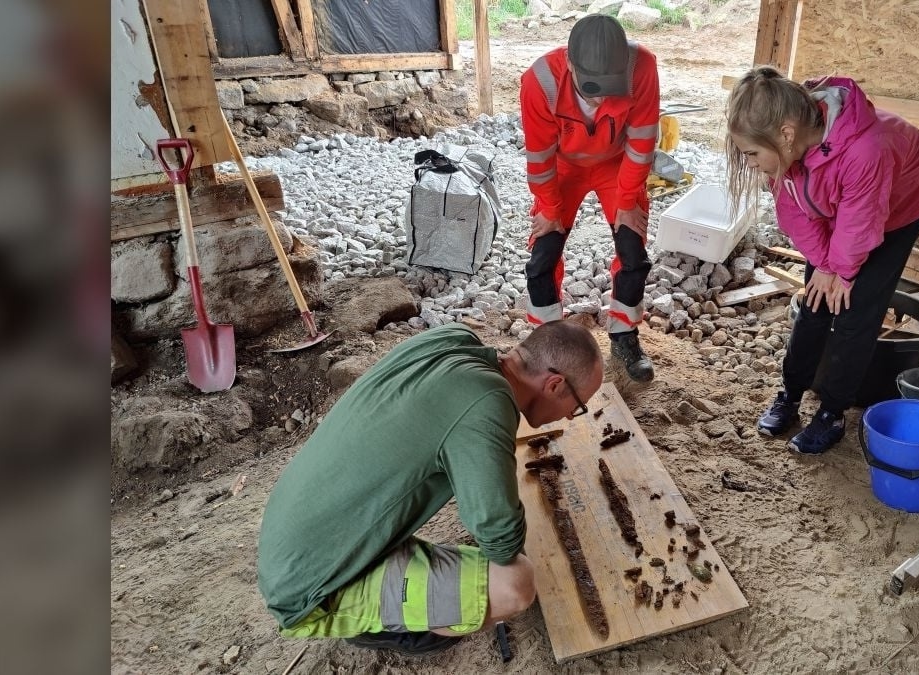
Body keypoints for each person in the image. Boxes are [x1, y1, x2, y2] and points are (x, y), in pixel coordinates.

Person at [257, 321, 603, 656]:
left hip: (296, 539)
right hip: (308, 587)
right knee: (515, 583)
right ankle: (386, 627)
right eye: (578, 405)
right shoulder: (487, 403)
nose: (572, 416)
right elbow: (499, 539)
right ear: (555, 384)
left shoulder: (452, 340)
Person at [725, 66, 919, 455]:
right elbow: (794, 213)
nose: (752, 163)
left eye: (753, 154)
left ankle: (833, 413)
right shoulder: (783, 150)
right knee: (815, 300)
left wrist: (842, 271)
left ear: (785, 134)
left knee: (856, 311)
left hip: (897, 207)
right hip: (841, 199)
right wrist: (824, 266)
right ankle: (791, 392)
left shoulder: (866, 150)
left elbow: (861, 223)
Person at [520, 14, 660, 382]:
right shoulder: (540, 81)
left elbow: (642, 142)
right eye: (591, 88)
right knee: (543, 255)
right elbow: (539, 157)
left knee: (633, 250)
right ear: (569, 62)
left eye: (607, 87)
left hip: (617, 167)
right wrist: (549, 209)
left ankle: (624, 334)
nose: (599, 99)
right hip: (564, 168)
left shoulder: (642, 66)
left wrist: (628, 200)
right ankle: (547, 342)